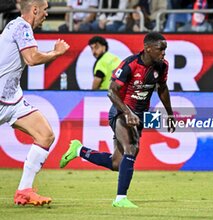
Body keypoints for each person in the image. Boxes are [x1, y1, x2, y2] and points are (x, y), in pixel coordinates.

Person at [60, 32, 176, 208]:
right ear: (148, 48)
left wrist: (170, 114)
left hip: (140, 115)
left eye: (165, 50)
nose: (164, 53)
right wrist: (127, 112)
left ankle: (79, 150)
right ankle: (121, 198)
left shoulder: (162, 66)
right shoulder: (130, 65)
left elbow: (163, 88)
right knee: (132, 147)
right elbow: (111, 91)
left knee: (117, 163)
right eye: (161, 49)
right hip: (120, 112)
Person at [0, 0, 70, 206]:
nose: (47, 14)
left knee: (45, 135)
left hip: (13, 101)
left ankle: (24, 191)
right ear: (35, 9)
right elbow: (31, 59)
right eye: (46, 10)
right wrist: (57, 52)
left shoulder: (18, 27)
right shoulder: (21, 26)